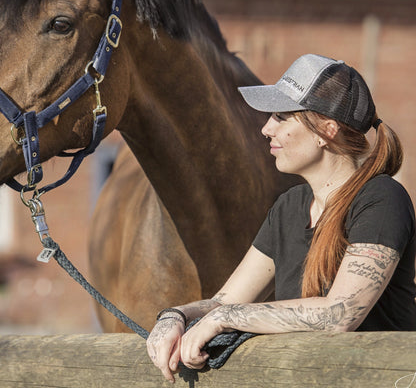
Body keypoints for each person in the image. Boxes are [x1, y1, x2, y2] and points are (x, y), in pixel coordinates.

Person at [146, 53, 416, 383]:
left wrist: (227, 318)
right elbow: (223, 301)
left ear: (325, 131)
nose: (266, 128)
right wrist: (175, 316)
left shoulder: (381, 198)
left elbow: (339, 314)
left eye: (281, 116)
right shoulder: (289, 206)